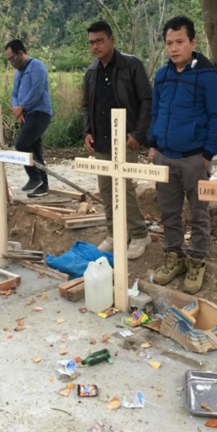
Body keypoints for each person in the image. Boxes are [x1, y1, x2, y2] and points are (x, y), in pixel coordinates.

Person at [147, 16, 217, 294]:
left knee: (198, 212)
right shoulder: (162, 75)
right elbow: (156, 112)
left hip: (194, 157)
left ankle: (196, 260)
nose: (174, 48)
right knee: (168, 211)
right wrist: (153, 144)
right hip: (163, 156)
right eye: (169, 43)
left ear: (193, 42)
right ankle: (174, 257)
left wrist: (207, 154)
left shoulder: (209, 75)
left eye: (180, 42)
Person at [82, 21, 153, 259]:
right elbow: (85, 107)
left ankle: (140, 234)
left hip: (125, 138)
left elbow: (146, 100)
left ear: (112, 40)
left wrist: (138, 134)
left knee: (123, 188)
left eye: (100, 41)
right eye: (92, 42)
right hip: (101, 140)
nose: (95, 46)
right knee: (106, 189)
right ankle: (114, 233)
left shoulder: (130, 65)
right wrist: (87, 132)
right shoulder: (91, 72)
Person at [5, 39, 53, 197]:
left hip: (40, 112)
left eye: (12, 58)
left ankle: (35, 177)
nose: (11, 62)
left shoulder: (36, 66)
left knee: (22, 144)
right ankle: (43, 185)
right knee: (34, 149)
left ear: (20, 53)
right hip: (26, 114)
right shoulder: (18, 73)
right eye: (8, 60)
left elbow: (37, 90)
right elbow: (14, 93)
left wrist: (23, 107)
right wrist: (16, 109)